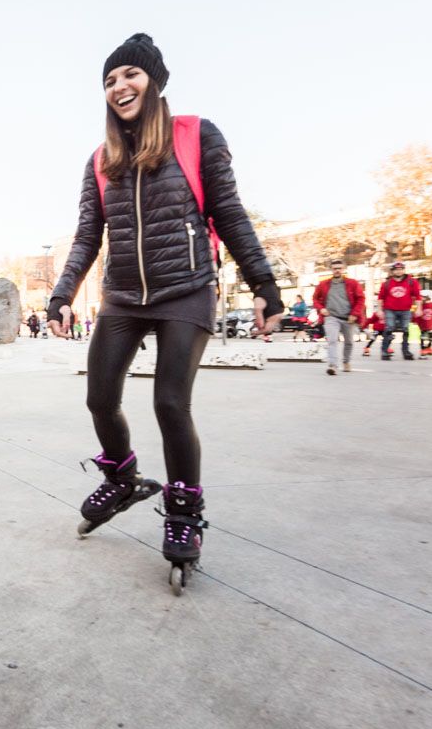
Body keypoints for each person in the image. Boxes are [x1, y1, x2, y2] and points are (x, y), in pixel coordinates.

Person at [48, 33, 283, 588]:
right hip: (124, 295)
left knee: (170, 402)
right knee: (100, 397)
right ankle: (123, 476)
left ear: (153, 80)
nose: (118, 87)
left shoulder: (196, 135)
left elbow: (229, 212)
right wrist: (60, 296)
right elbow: (87, 237)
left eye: (128, 74)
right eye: (108, 81)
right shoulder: (100, 160)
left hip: (187, 288)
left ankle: (183, 512)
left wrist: (264, 285)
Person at [312, 260, 365, 376]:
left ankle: (346, 361)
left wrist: (354, 314)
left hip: (348, 317)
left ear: (343, 269)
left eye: (339, 268)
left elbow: (360, 299)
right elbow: (315, 299)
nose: (337, 270)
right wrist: (321, 308)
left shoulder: (352, 283)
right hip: (331, 317)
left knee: (349, 342)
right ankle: (333, 365)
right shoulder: (323, 284)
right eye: (335, 268)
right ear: (331, 270)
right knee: (332, 340)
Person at [376, 262, 422, 361]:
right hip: (390, 310)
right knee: (389, 329)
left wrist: (419, 308)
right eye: (396, 269)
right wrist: (379, 310)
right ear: (392, 271)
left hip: (406, 310)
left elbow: (418, 296)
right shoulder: (387, 283)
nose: (399, 271)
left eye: (401, 269)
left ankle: (405, 350)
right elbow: (380, 298)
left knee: (406, 329)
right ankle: (385, 350)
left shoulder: (411, 282)